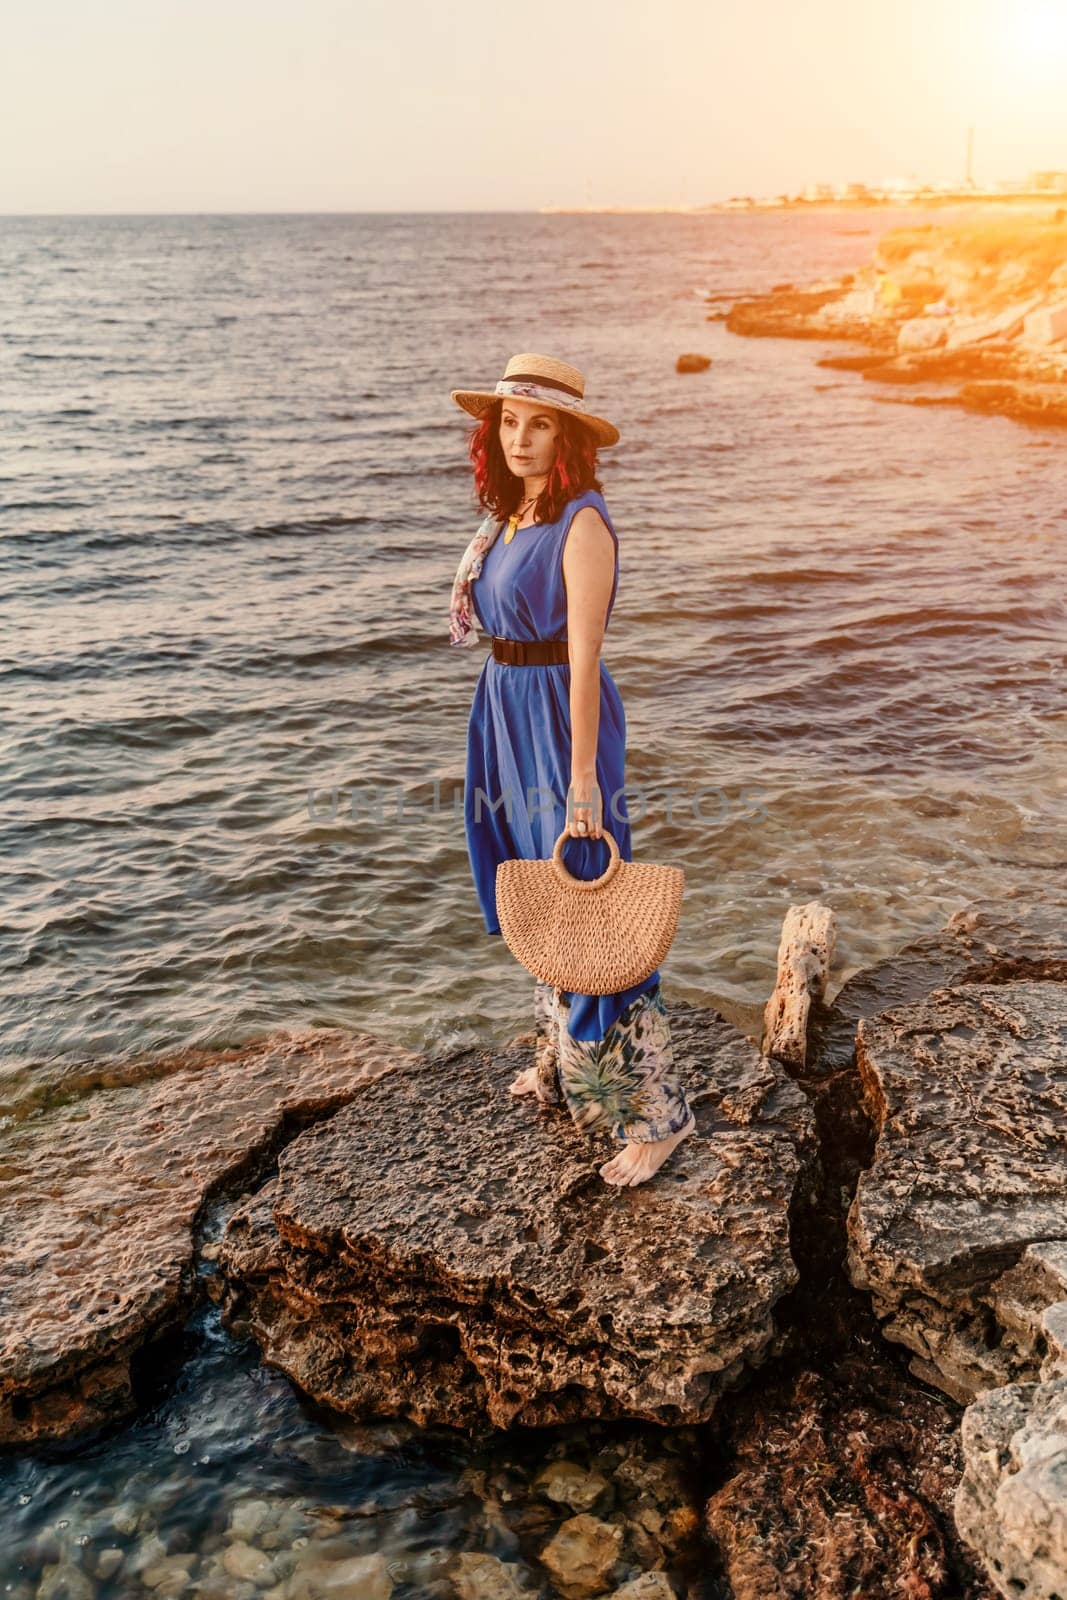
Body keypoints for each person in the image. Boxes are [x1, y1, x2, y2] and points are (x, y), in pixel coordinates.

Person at [448, 352, 695, 1187]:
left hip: (558, 713)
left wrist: (582, 778)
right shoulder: (511, 516)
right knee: (537, 888)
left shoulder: (581, 522)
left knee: (593, 895)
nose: (520, 438)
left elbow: (585, 659)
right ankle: (563, 1068)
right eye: (508, 422)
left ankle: (659, 1114)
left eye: (538, 424)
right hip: (503, 707)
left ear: (568, 437)